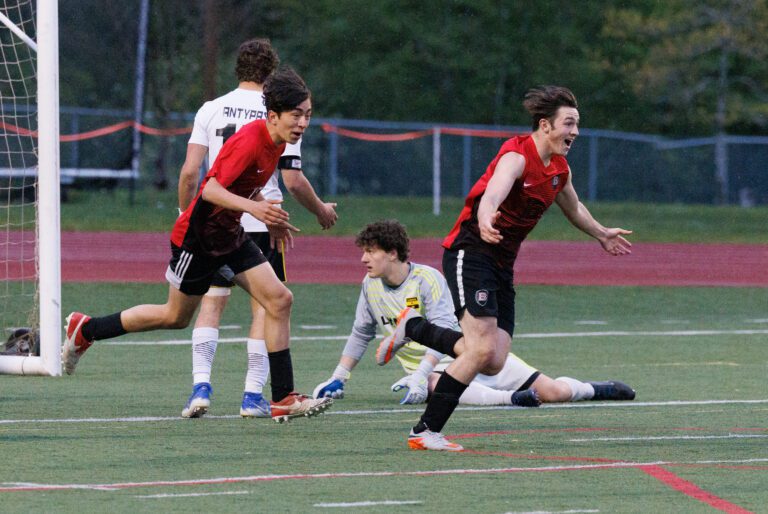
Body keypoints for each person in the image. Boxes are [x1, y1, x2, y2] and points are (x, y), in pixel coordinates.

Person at [62, 67, 333, 423]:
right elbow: (210, 190)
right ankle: (88, 329)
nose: (302, 123)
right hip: (199, 238)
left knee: (280, 299)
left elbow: (248, 189)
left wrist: (273, 221)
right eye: (296, 115)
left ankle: (282, 397)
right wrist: (256, 209)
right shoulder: (251, 141)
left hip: (230, 234)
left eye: (308, 115)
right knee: (174, 317)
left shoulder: (280, 141)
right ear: (273, 115)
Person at [377, 86, 633, 451]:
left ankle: (414, 327)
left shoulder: (559, 170)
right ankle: (425, 431)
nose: (575, 132)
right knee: (479, 351)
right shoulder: (517, 155)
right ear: (545, 125)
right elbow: (493, 194)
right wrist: (484, 218)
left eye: (577, 124)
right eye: (569, 123)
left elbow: (574, 208)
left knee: (493, 360)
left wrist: (601, 233)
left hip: (501, 263)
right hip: (471, 251)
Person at [313, 220, 635, 410]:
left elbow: (443, 332)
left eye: (370, 252)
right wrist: (338, 378)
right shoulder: (369, 287)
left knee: (555, 392)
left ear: (393, 253)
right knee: (440, 383)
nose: (363, 259)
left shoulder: (427, 280)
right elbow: (360, 333)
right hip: (437, 373)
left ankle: (597, 389)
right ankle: (513, 399)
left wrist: (419, 372)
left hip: (471, 354)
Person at [177, 38, 337, 419]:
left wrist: (186, 216)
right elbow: (292, 179)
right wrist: (320, 210)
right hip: (261, 218)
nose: (302, 119)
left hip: (214, 221)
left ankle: (201, 386)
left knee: (211, 303)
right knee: (267, 306)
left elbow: (189, 173)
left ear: (239, 69)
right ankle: (253, 396)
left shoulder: (211, 108)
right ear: (272, 76)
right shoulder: (278, 111)